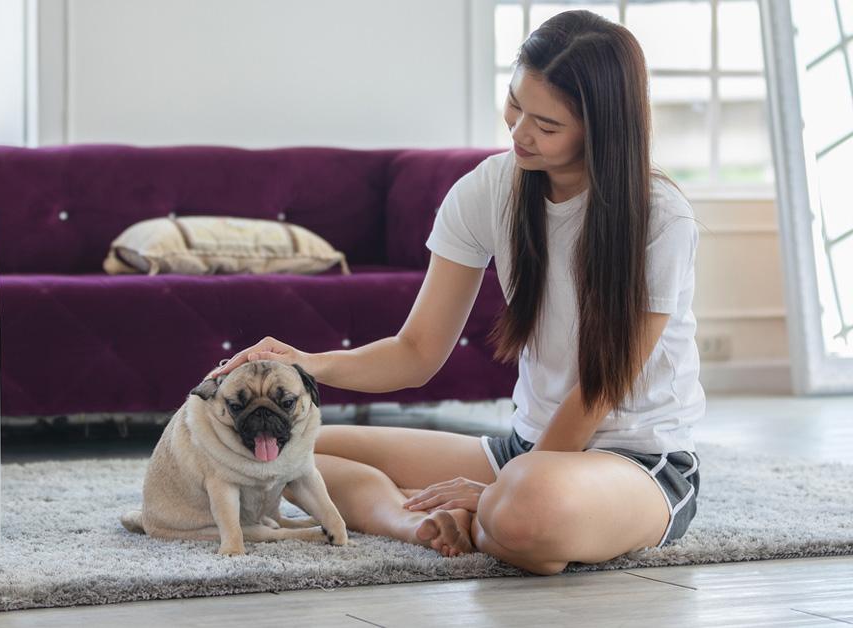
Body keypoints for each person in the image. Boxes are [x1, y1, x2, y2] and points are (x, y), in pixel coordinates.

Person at [205, 10, 703, 576]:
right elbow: (416, 352)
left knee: (528, 506)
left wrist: (503, 488)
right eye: (515, 104)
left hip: (637, 463)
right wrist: (306, 364)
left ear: (602, 128)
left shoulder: (660, 219)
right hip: (525, 450)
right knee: (295, 449)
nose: (518, 132)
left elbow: (598, 391)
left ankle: (502, 515)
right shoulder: (489, 188)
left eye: (547, 123)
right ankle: (416, 523)